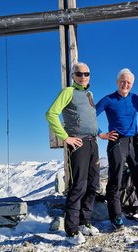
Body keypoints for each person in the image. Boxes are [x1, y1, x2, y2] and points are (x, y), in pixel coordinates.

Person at [96, 68, 138, 230]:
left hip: (134, 142)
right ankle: (116, 216)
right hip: (116, 142)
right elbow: (91, 115)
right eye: (123, 81)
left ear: (132, 84)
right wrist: (101, 134)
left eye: (128, 82)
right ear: (117, 82)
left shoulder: (134, 98)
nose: (125, 85)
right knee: (115, 178)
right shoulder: (109, 99)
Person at [46, 62, 100, 245]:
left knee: (93, 184)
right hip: (78, 143)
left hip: (93, 142)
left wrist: (99, 133)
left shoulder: (89, 94)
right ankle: (71, 231)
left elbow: (89, 119)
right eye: (79, 74)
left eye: (86, 73)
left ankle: (85, 222)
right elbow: (51, 114)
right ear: (73, 76)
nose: (83, 77)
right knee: (79, 186)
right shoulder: (68, 92)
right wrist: (65, 137)